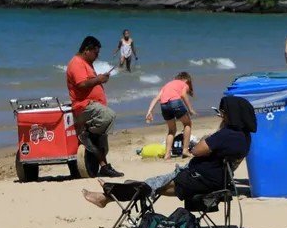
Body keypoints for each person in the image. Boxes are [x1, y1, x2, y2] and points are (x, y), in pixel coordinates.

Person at [84, 96, 254, 209]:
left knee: (149, 186)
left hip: (199, 179)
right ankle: (108, 195)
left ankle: (108, 194)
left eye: (223, 114)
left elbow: (196, 150)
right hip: (217, 180)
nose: (221, 117)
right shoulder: (244, 137)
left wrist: (209, 137)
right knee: (152, 184)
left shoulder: (226, 135)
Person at [68, 36, 121, 178]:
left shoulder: (86, 63)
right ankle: (88, 135)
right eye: (95, 53)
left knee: (103, 140)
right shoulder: (76, 63)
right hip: (83, 106)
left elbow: (88, 82)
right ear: (86, 50)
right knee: (109, 116)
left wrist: (100, 78)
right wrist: (99, 79)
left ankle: (104, 166)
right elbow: (81, 84)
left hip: (92, 106)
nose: (97, 56)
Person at [144, 72, 195, 159]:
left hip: (164, 105)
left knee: (171, 130)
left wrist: (149, 111)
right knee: (187, 124)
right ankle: (185, 150)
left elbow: (156, 98)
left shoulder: (167, 85)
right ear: (186, 80)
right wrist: (190, 109)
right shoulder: (184, 83)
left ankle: (167, 154)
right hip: (175, 102)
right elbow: (183, 95)